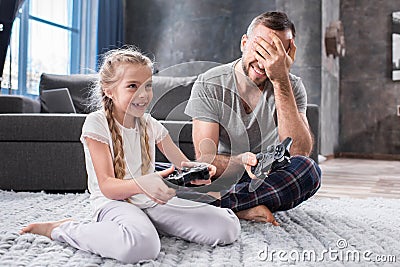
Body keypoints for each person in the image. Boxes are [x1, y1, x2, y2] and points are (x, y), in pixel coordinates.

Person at [20, 47, 240, 264]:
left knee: (227, 227)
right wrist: (145, 184)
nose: (143, 95)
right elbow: (107, 186)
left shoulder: (150, 124)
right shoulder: (96, 124)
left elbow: (182, 163)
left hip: (150, 201)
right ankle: (63, 228)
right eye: (133, 86)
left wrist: (197, 171)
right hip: (113, 203)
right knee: (141, 247)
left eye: (148, 86)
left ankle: (146, 224)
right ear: (109, 89)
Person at [184, 11, 321, 224]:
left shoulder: (291, 85)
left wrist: (280, 80)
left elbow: (299, 152)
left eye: (275, 54)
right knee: (164, 172)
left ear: (286, 58)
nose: (263, 62)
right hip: (224, 173)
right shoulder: (210, 83)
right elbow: (205, 157)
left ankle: (217, 205)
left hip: (268, 178)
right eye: (260, 49)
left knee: (308, 171)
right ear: (244, 43)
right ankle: (243, 206)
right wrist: (242, 161)